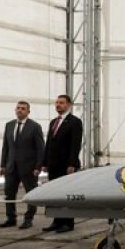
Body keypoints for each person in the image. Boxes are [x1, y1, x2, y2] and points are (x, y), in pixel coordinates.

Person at [0, 101, 44, 229]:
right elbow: (5, 147)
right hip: (11, 167)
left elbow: (40, 148)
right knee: (9, 193)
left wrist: (38, 166)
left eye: (23, 108)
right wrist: (2, 165)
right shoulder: (9, 125)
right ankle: (11, 218)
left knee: (31, 194)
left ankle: (28, 219)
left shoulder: (35, 127)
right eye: (18, 108)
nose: (20, 110)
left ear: (28, 112)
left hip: (29, 168)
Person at [41, 94, 82, 233]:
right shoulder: (53, 122)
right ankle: (57, 221)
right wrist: (45, 162)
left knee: (66, 194)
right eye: (57, 102)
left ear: (69, 105)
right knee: (55, 194)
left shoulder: (75, 122)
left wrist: (72, 164)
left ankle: (68, 223)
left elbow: (75, 144)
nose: (58, 105)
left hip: (66, 166)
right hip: (53, 165)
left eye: (61, 103)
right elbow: (48, 144)